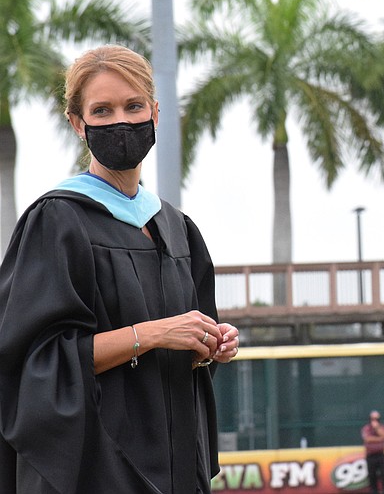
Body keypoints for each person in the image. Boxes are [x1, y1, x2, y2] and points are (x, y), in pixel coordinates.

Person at [0, 44, 239, 492]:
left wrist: (207, 346)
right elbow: (36, 365)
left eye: (133, 106)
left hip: (175, 464)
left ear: (155, 111)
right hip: (97, 465)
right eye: (102, 110)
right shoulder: (57, 220)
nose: (121, 122)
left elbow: (184, 348)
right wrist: (151, 334)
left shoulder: (175, 227)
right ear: (78, 124)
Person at [362, 410, 384, 494]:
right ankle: (374, 491)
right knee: (372, 475)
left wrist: (377, 428)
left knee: (383, 474)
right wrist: (379, 439)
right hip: (370, 455)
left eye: (376, 418)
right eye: (373, 418)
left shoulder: (383, 427)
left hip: (380, 454)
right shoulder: (366, 428)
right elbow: (367, 439)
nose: (375, 420)